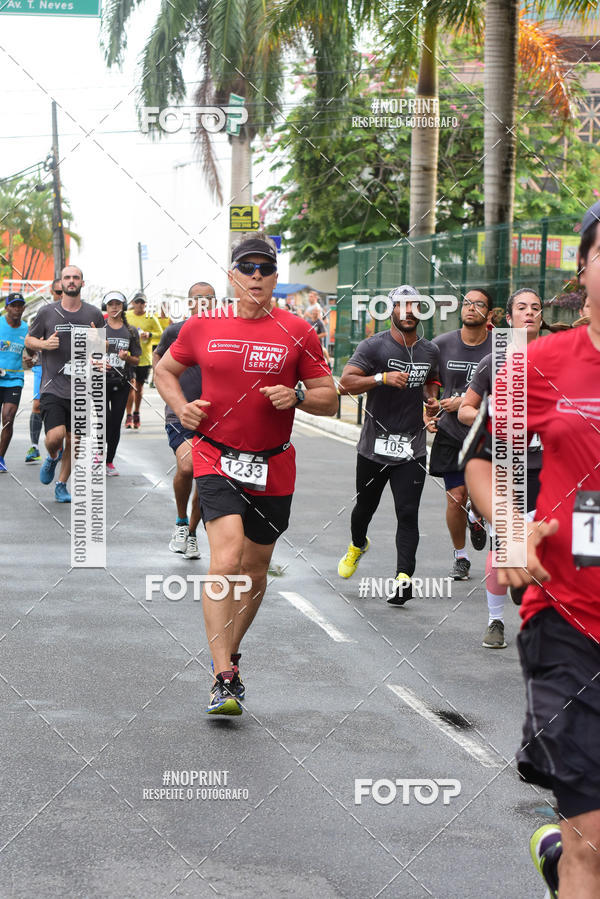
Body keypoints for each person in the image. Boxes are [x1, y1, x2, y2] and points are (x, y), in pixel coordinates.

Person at [464, 200, 600, 899]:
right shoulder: (539, 363)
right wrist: (513, 530)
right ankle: (570, 857)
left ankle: (558, 858)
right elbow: (483, 461)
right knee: (595, 846)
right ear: (583, 270)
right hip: (568, 618)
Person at [155, 232, 336, 716]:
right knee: (227, 557)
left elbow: (330, 397)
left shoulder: (299, 329)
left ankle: (229, 655)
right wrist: (181, 409)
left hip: (273, 463)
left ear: (276, 278)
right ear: (232, 275)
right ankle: (223, 677)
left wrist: (297, 395)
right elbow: (163, 371)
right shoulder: (201, 326)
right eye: (247, 267)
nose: (256, 275)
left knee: (255, 570)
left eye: (265, 268)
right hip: (216, 455)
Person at [337, 285, 440, 604]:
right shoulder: (373, 347)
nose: (408, 311)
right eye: (402, 306)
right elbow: (344, 384)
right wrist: (381, 378)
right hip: (373, 447)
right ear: (391, 310)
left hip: (412, 448)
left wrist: (431, 400)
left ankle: (404, 578)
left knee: (407, 512)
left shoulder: (429, 350)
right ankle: (357, 545)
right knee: (364, 509)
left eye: (415, 306)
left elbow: (431, 381)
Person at [459, 288, 544, 648]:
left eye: (536, 308)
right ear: (508, 319)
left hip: (547, 466)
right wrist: (494, 420)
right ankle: (495, 622)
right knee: (506, 546)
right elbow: (465, 409)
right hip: (505, 465)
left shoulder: (557, 359)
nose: (529, 314)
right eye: (521, 308)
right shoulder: (494, 361)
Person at [427, 288, 494, 579]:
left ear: (490, 314)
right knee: (456, 496)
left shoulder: (500, 347)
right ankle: (461, 556)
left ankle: (477, 516)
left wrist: (465, 402)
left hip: (486, 434)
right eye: (467, 303)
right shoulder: (441, 344)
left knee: (483, 497)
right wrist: (427, 409)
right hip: (451, 433)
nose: (471, 308)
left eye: (479, 304)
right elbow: (428, 380)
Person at [25, 265, 105, 503]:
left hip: (82, 388)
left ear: (82, 282)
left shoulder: (93, 314)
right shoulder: (47, 312)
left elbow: (103, 346)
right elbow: (29, 339)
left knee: (76, 440)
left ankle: (61, 484)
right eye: (67, 278)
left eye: (76, 278)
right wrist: (43, 345)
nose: (71, 281)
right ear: (60, 283)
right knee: (55, 437)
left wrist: (97, 342)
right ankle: (52, 456)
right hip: (53, 385)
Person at [153, 282, 215, 559]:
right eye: (197, 299)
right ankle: (180, 522)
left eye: (208, 299)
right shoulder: (176, 331)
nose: (203, 303)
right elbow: (158, 358)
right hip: (181, 412)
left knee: (205, 476)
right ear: (189, 303)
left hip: (215, 417)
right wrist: (169, 389)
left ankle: (191, 534)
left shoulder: (225, 332)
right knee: (189, 465)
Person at [102, 291, 141, 475]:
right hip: (100, 380)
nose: (114, 307)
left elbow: (137, 360)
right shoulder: (99, 328)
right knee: (105, 419)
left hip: (122, 381)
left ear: (123, 307)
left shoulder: (131, 331)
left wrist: (127, 358)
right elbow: (85, 354)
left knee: (116, 421)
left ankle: (109, 461)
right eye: (111, 304)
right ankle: (99, 454)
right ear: (106, 307)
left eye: (118, 304)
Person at [25, 278, 62, 463]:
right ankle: (35, 447)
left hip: (69, 372)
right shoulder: (45, 313)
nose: (61, 295)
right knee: (37, 405)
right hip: (43, 367)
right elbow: (30, 339)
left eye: (63, 292)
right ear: (52, 293)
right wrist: (32, 353)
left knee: (66, 407)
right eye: (57, 292)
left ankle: (59, 447)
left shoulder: (79, 313)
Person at [0, 293, 30, 472]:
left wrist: (32, 359)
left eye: (20, 305)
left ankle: (0, 457)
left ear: (24, 308)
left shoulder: (26, 329)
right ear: (6, 307)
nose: (17, 309)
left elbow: (32, 352)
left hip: (14, 379)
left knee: (8, 419)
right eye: (14, 305)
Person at [125, 294, 163, 429]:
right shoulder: (126, 315)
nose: (140, 305)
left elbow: (161, 334)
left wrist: (149, 335)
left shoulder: (151, 317)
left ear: (146, 304)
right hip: (129, 356)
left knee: (139, 388)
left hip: (144, 357)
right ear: (133, 303)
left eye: (142, 303)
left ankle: (136, 413)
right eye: (137, 302)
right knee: (131, 386)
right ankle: (128, 415)